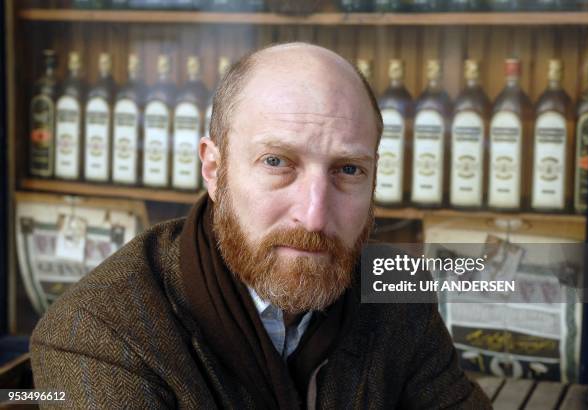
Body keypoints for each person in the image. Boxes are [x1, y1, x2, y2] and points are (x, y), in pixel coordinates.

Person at [31, 42, 490, 409]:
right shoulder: (98, 330)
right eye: (277, 162)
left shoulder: (395, 288)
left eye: (348, 170)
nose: (314, 215)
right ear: (214, 169)